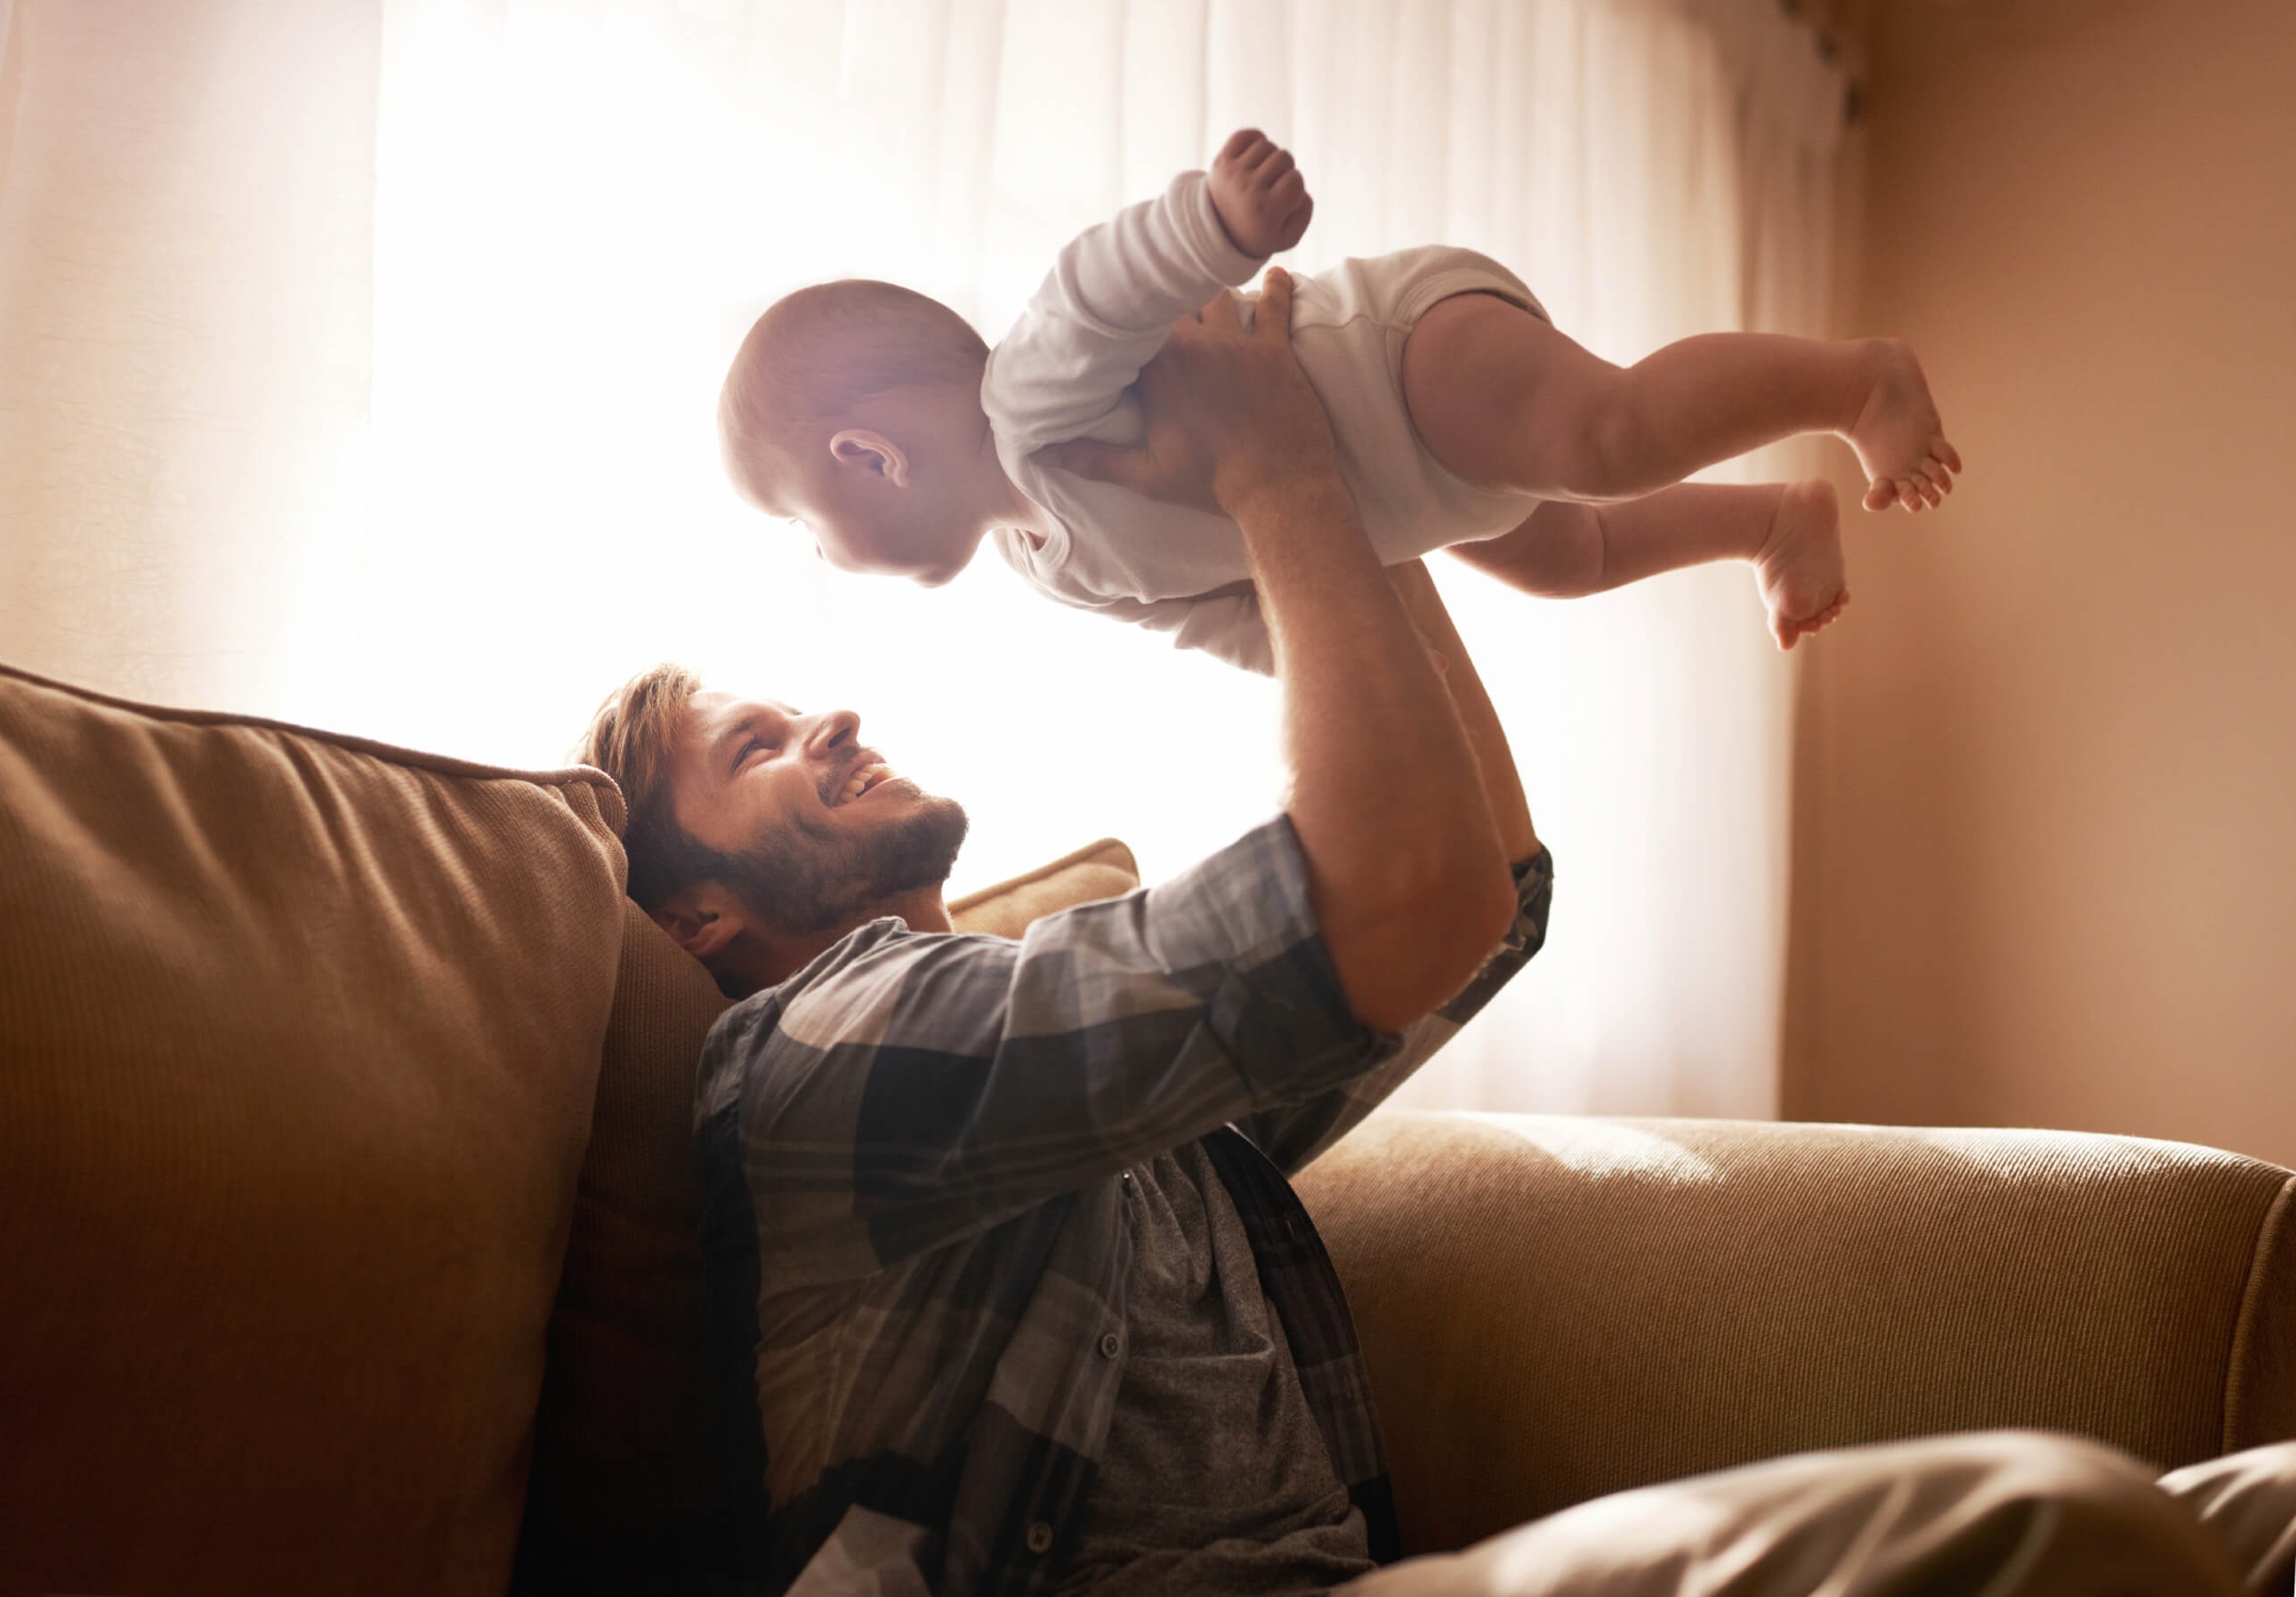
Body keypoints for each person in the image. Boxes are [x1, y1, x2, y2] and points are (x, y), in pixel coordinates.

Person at [588, 275, 2291, 1594]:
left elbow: (1483, 902)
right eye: (754, 749)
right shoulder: (830, 1057)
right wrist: (1274, 477)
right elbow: (1407, 894)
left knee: (2266, 1518)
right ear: (699, 913)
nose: (828, 723)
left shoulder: (1060, 1067)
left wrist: (1308, 524)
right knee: (2038, 1530)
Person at [715, 129, 1961, 674]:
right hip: (1411, 492)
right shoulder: (1058, 576)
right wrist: (1329, 665)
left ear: (871, 456)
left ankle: (1860, 381)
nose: (820, 558)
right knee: (1569, 557)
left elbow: (1098, 288)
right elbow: (1233, 615)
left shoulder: (1030, 403)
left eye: (802, 524)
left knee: (1607, 441)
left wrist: (1215, 225)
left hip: (1398, 358)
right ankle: (1771, 521)